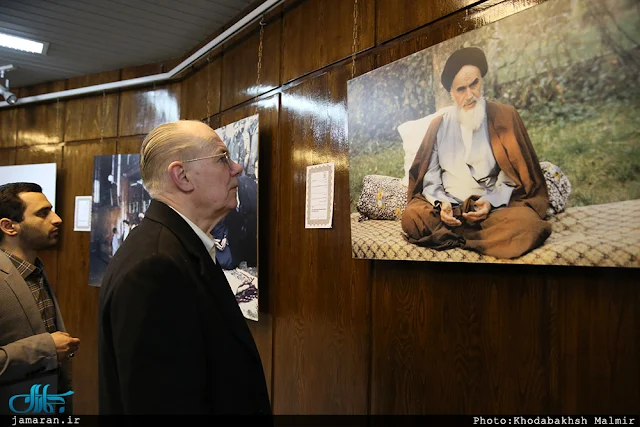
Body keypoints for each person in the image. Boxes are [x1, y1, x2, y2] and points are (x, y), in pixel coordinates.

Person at [97, 120, 271, 415]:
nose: (237, 168)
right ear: (183, 176)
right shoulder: (155, 266)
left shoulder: (174, 247)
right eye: (221, 158)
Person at [400, 47, 551, 259]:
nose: (469, 95)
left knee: (528, 225)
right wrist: (442, 204)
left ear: (482, 81)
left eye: (474, 84)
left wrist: (490, 201)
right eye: (461, 89)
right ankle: (473, 236)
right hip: (450, 209)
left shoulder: (504, 116)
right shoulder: (439, 125)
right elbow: (431, 179)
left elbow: (511, 175)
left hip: (492, 209)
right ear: (451, 93)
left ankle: (454, 238)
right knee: (412, 217)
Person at [0, 183, 80, 414]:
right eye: (43, 213)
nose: (57, 219)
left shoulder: (34, 270)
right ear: (9, 226)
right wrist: (45, 349)